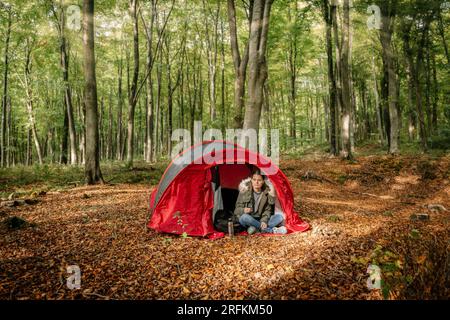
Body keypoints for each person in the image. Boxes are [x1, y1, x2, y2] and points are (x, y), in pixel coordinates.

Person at [233, 169, 287, 235]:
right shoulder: (244, 190)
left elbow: (267, 210)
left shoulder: (266, 192)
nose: (256, 182)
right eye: (254, 180)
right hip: (249, 219)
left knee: (279, 217)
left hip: (260, 219)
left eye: (259, 180)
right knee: (244, 217)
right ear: (251, 180)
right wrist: (244, 210)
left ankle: (256, 228)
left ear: (263, 181)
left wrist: (264, 221)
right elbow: (236, 210)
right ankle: (271, 231)